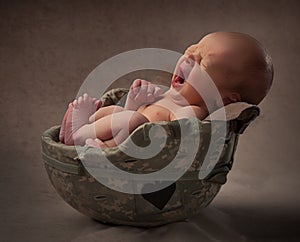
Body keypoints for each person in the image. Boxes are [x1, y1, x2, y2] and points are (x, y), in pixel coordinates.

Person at [59, 31, 273, 148]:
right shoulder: (172, 94)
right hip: (118, 131)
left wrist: (182, 116)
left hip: (128, 149)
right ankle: (87, 125)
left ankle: (78, 135)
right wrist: (136, 100)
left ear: (224, 99)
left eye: (202, 63)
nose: (187, 58)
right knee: (114, 112)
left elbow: (177, 131)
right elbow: (142, 112)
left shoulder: (194, 111)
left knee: (133, 120)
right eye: (191, 50)